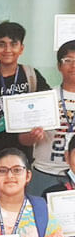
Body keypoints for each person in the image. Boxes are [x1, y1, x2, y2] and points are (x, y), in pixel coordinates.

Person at [0, 22, 52, 195]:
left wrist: (36, 131)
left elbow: (46, 106)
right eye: (1, 44)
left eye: (13, 44)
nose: (7, 49)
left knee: (18, 207)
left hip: (22, 156)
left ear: (22, 48)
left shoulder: (31, 75)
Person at [26, 40, 75, 199]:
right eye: (68, 60)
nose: (73, 65)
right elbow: (23, 139)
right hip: (44, 173)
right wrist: (32, 136)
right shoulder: (45, 97)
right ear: (59, 66)